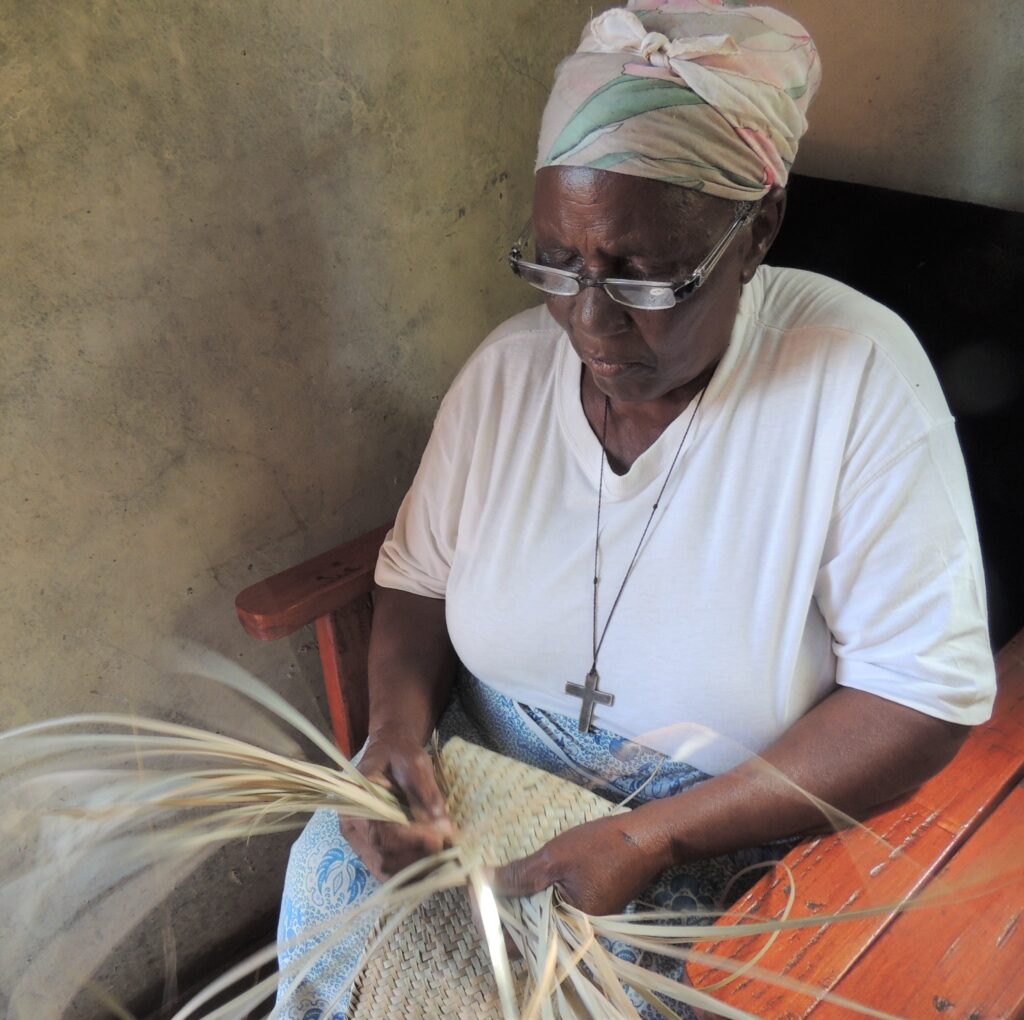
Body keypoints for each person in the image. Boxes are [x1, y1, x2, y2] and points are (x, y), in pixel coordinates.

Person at [276, 3, 996, 1016]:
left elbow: (919, 694)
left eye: (643, 273)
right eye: (556, 263)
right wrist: (394, 731)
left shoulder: (858, 378)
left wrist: (660, 835)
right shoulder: (507, 371)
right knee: (333, 897)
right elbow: (418, 578)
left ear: (758, 230)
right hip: (475, 767)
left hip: (724, 819)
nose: (588, 319)